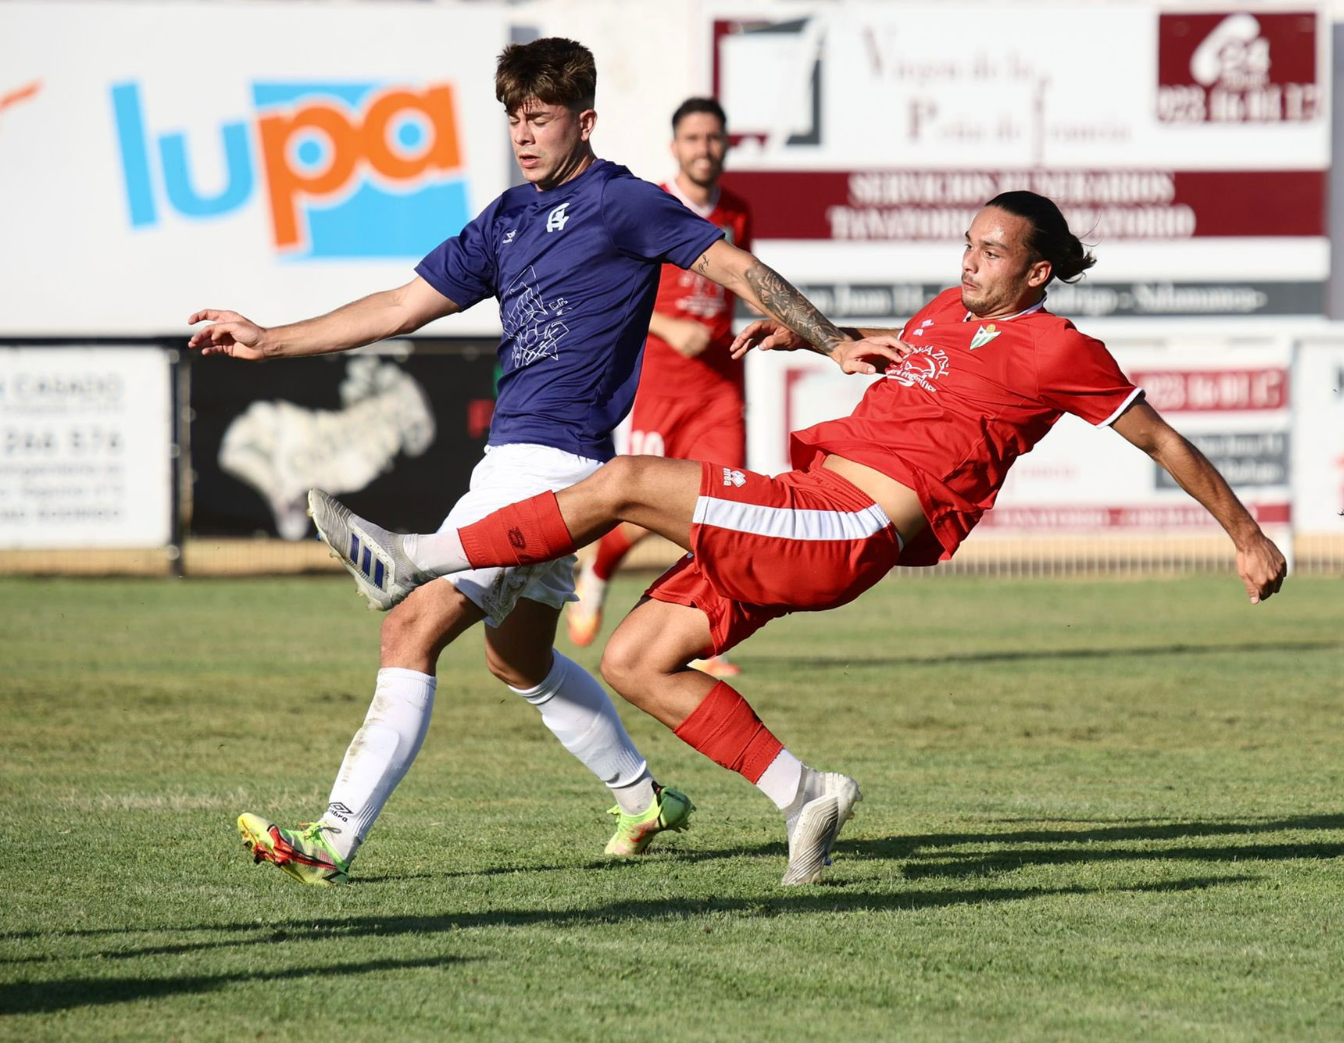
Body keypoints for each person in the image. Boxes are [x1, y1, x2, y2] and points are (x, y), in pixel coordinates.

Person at [306, 191, 1289, 885]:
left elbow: (1159, 436)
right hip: (806, 501)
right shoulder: (948, 311)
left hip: (846, 523)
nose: (966, 261)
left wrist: (1245, 537)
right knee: (640, 657)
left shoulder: (1063, 348)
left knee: (625, 483)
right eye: (967, 243)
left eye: (990, 252)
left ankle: (422, 556)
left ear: (1036, 271)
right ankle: (805, 791)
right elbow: (906, 372)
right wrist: (817, 333)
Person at [186, 38, 904, 887]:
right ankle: (646, 799)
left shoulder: (624, 202)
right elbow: (397, 305)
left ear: (584, 120)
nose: (524, 136)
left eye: (541, 118)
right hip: (539, 470)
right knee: (516, 656)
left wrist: (834, 341)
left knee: (407, 625)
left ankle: (333, 838)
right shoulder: (505, 218)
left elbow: (735, 265)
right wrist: (272, 339)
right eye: (514, 120)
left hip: (550, 466)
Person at [568, 97, 751, 680]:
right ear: (676, 148)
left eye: (713, 138)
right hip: (659, 387)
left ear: (725, 146)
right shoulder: (650, 203)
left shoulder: (740, 211)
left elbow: (738, 280)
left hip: (719, 389)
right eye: (693, 138)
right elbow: (608, 289)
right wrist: (669, 325)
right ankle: (597, 571)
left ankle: (706, 638)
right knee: (645, 513)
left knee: (725, 512)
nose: (704, 148)